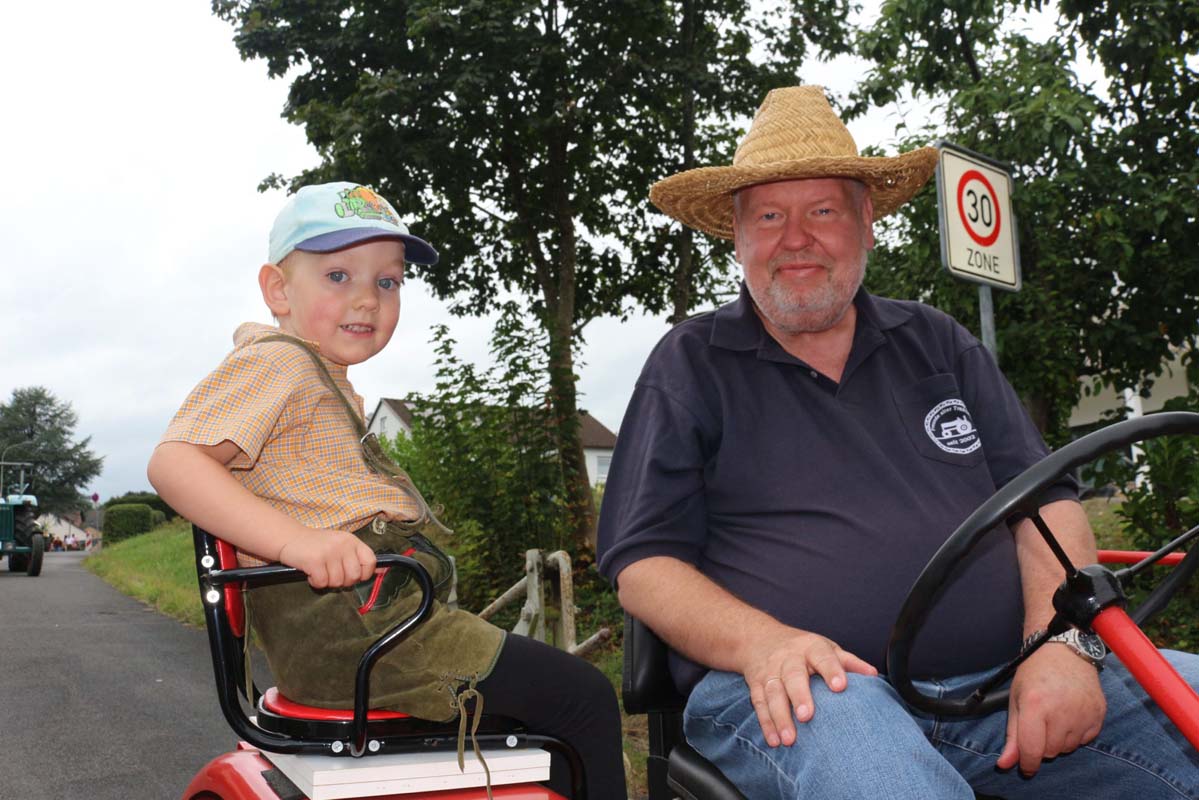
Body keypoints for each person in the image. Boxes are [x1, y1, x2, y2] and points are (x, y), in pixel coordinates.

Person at [597, 86, 1199, 798]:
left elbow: (1048, 501)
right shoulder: (691, 362)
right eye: (767, 216)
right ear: (738, 238)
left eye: (821, 211)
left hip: (1004, 678)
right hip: (804, 687)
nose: (795, 238)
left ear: (866, 227)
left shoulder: (937, 341)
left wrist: (1062, 640)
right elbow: (641, 561)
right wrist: (764, 644)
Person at [147, 181, 625, 799]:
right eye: (339, 275)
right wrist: (298, 543)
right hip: (363, 635)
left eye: (388, 282)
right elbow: (174, 462)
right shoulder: (279, 362)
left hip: (376, 625)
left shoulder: (320, 378)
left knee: (537, 720)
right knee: (582, 699)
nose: (368, 299)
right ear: (277, 290)